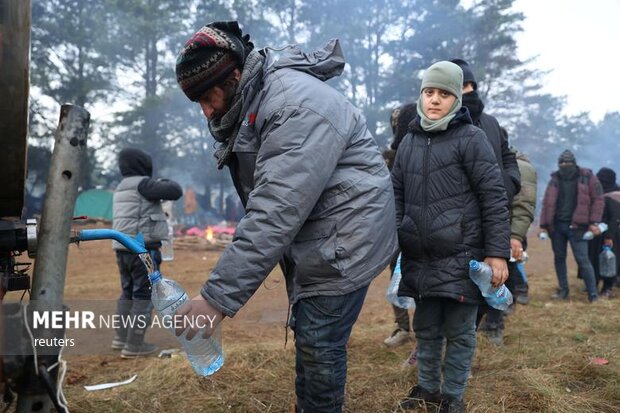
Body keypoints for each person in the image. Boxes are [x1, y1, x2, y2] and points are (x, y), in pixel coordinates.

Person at [174, 21, 397, 413]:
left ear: (235, 75)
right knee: (311, 331)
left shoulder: (295, 106)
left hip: (346, 237)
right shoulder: (257, 100)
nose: (206, 112)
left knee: (320, 339)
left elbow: (275, 211)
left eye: (208, 98)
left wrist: (216, 299)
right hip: (320, 231)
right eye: (199, 104)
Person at [392, 61, 510, 413]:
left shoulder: (471, 138)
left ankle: (453, 396)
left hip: (463, 255)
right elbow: (395, 192)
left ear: (457, 98)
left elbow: (494, 195)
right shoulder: (409, 141)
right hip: (420, 257)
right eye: (429, 92)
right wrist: (399, 235)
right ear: (421, 95)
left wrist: (497, 253)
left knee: (459, 332)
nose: (435, 100)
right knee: (426, 328)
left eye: (444, 94)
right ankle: (428, 388)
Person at [111, 148, 183, 358]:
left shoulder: (121, 187)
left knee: (127, 293)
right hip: (143, 250)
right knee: (144, 295)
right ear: (143, 165)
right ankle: (134, 345)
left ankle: (121, 338)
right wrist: (162, 180)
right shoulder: (144, 184)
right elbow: (175, 191)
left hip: (122, 249)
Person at [481, 148, 537, 345]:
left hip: (505, 231)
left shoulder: (522, 168)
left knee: (499, 277)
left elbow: (523, 206)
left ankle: (495, 323)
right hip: (499, 228)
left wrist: (514, 236)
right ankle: (493, 319)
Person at [539, 149, 604, 302]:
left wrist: (594, 222)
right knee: (559, 258)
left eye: (568, 162)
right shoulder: (554, 179)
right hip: (557, 227)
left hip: (579, 227)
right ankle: (563, 290)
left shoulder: (588, 177)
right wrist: (543, 224)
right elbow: (546, 203)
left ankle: (593, 293)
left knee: (583, 260)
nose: (565, 165)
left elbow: (599, 200)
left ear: (574, 163)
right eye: (562, 163)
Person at [382, 106, 416, 348]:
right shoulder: (388, 157)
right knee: (397, 276)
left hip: (422, 225)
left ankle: (426, 335)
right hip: (394, 225)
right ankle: (403, 327)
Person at [588, 167, 620, 297]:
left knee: (609, 261)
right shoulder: (597, 193)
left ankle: (607, 287)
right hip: (596, 233)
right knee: (594, 260)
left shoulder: (614, 196)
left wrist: (609, 236)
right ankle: (593, 284)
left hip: (610, 235)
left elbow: (614, 218)